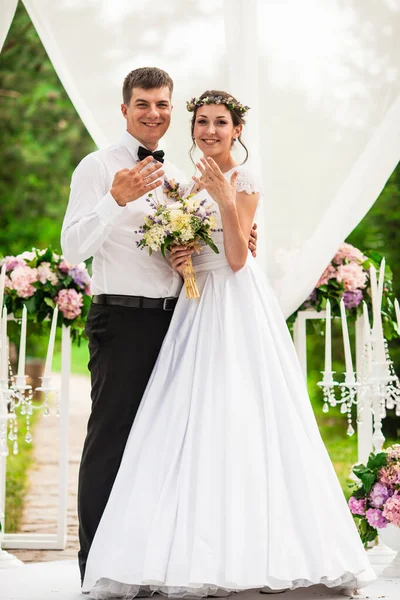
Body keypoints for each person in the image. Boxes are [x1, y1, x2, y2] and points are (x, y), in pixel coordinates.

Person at [81, 91, 376, 599]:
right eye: (201, 122)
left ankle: (256, 550)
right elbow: (201, 250)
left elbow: (239, 258)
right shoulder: (185, 182)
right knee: (186, 419)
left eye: (220, 123)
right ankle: (186, 549)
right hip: (194, 305)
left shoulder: (244, 179)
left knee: (239, 413)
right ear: (191, 129)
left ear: (237, 130)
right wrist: (181, 258)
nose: (209, 130)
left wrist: (222, 199)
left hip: (234, 305)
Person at [61, 68, 257, 585]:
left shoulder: (178, 179)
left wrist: (208, 246)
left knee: (163, 445)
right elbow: (72, 249)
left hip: (181, 324)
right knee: (111, 442)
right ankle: (95, 568)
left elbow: (202, 242)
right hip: (123, 320)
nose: (154, 114)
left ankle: (147, 563)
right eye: (143, 104)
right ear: (124, 109)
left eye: (163, 105)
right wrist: (115, 199)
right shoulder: (97, 167)